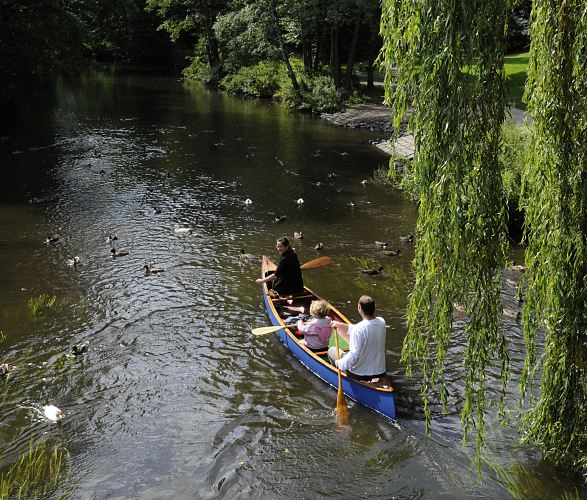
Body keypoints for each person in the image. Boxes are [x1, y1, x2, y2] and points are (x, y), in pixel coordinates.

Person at [328, 295, 386, 381]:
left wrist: (339, 363)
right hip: (380, 372)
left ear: (360, 309)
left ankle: (339, 378)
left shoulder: (358, 329)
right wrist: (341, 325)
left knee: (332, 350)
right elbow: (364, 328)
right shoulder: (382, 322)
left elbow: (354, 357)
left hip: (360, 374)